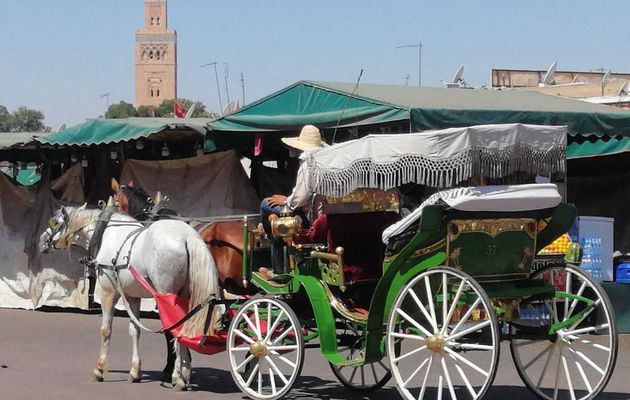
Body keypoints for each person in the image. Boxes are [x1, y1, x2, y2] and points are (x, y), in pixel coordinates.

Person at [259, 125, 328, 276]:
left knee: (266, 205)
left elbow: (300, 198)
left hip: (311, 219)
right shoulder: (326, 163)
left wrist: (286, 201)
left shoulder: (308, 164)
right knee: (275, 219)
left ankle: (277, 267)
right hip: (323, 216)